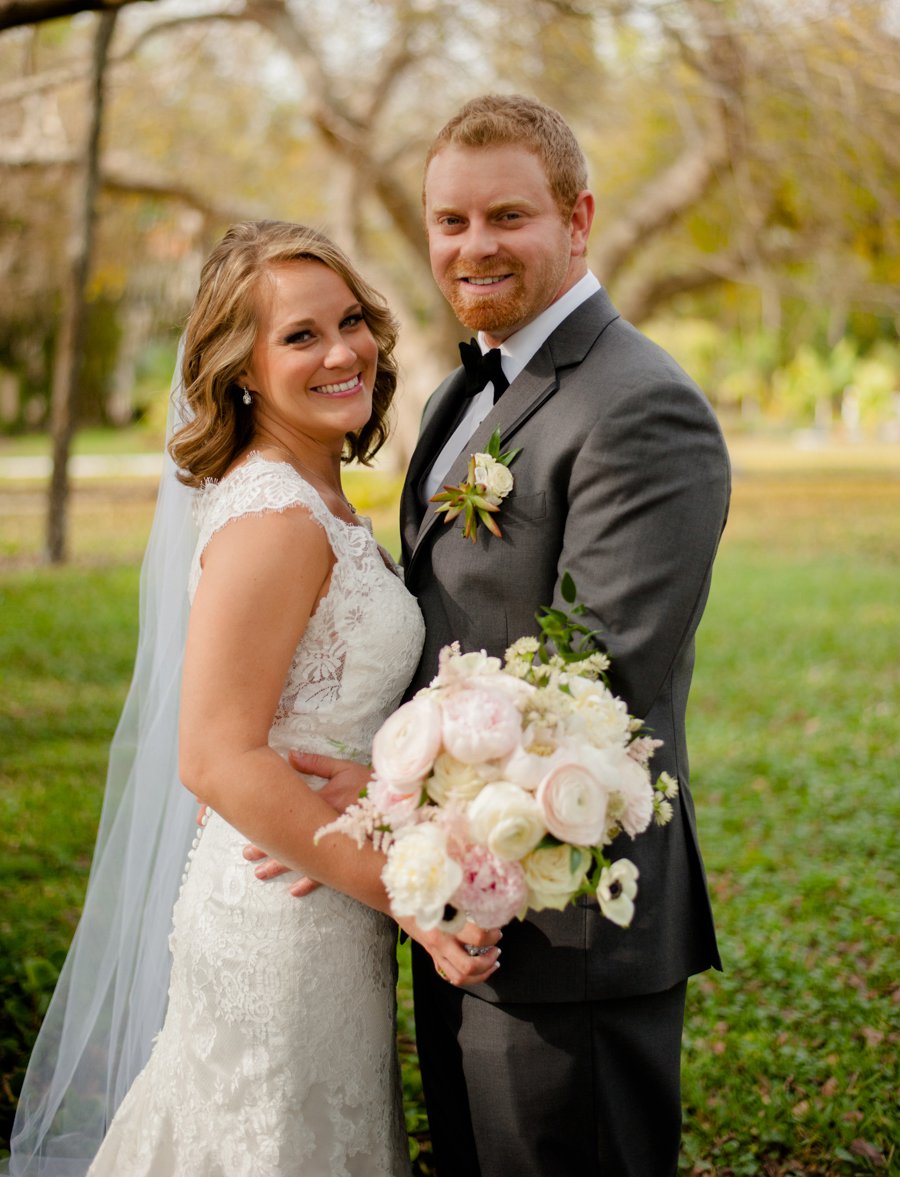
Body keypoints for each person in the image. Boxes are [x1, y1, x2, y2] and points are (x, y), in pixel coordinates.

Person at [281, 95, 731, 1177]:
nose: (472, 246)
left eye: (506, 217)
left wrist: (384, 802)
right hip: (462, 904)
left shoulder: (640, 405)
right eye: (450, 222)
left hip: (570, 913)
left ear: (577, 220)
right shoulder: (458, 394)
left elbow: (598, 685)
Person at [5, 221, 498, 1177]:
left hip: (316, 893)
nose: (343, 351)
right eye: (300, 336)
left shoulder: (314, 499)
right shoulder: (275, 516)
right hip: (281, 918)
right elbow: (215, 755)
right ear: (241, 369)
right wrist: (409, 894)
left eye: (351, 321)